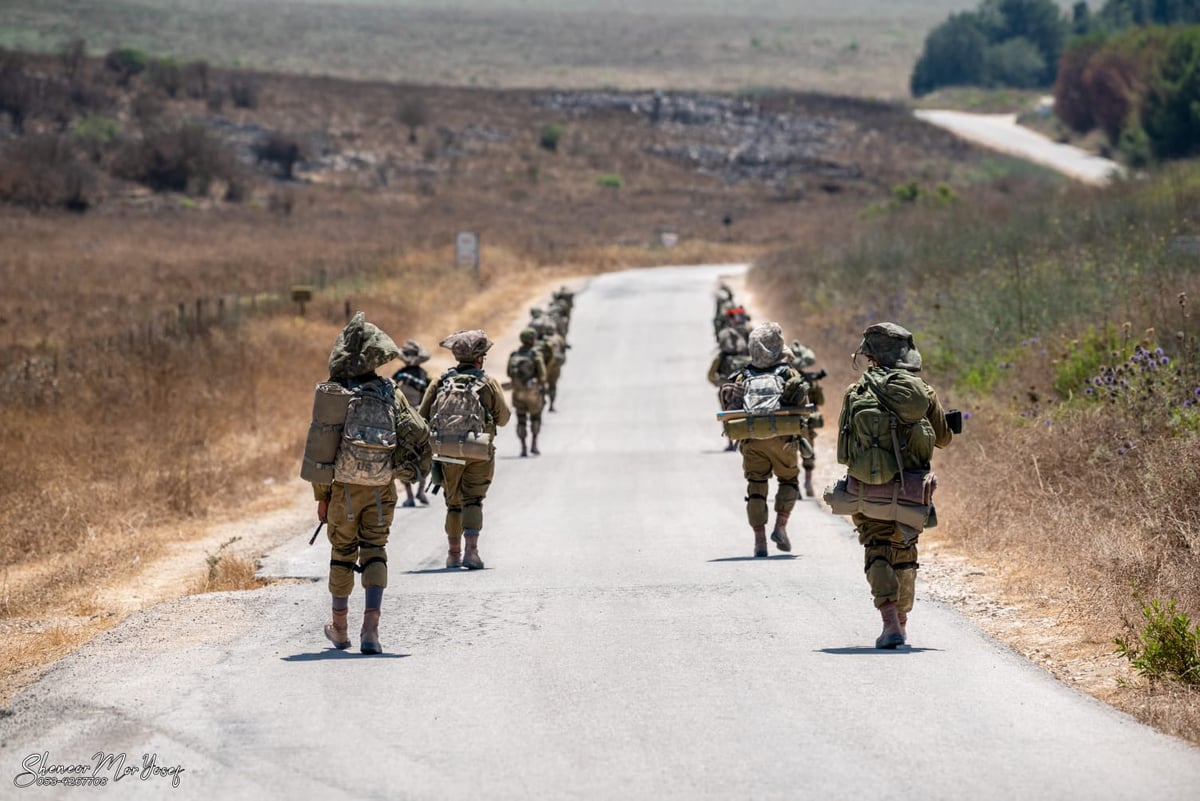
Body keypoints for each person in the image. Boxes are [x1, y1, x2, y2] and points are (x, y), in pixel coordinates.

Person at [312, 312, 431, 655]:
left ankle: (339, 627)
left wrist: (322, 498)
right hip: (381, 490)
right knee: (375, 551)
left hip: (342, 492)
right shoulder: (389, 391)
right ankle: (371, 632)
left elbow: (320, 452)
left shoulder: (335, 393)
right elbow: (419, 431)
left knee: (342, 554)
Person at [839, 323, 954, 649]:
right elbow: (943, 439)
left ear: (870, 355)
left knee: (876, 547)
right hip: (911, 490)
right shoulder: (922, 393)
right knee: (905, 551)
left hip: (867, 489)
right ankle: (902, 622)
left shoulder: (856, 392)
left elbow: (843, 450)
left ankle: (890, 620)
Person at [420, 330, 511, 570]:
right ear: (479, 358)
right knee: (473, 499)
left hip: (447, 450)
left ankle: (453, 554)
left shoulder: (441, 381)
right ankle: (472, 552)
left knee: (453, 504)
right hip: (478, 449)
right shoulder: (487, 383)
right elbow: (503, 418)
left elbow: (422, 416)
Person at [732, 322, 809, 557]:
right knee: (788, 481)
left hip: (752, 441)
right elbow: (802, 406)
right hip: (783, 441)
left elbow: (735, 409)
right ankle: (780, 527)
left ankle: (759, 542)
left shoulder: (742, 376)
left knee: (756, 488)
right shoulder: (789, 373)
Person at [392, 339, 432, 507]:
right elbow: (430, 399)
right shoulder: (425, 376)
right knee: (424, 456)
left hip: (402, 423)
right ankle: (421, 491)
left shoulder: (398, 375)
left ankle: (409, 495)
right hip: (421, 422)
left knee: (402, 457)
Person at [788, 339, 827, 497]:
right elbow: (821, 401)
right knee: (808, 453)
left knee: (790, 455)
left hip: (789, 423)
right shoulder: (810, 381)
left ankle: (795, 486)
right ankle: (808, 482)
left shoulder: (785, 379)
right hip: (806, 424)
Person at [708, 324, 751, 451]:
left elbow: (711, 376)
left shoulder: (721, 357)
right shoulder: (747, 354)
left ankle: (731, 442)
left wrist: (721, 382)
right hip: (745, 390)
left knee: (727, 415)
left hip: (726, 392)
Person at [507, 327, 547, 457]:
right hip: (533, 393)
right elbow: (542, 375)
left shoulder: (514, 355)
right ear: (531, 340)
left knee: (521, 419)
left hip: (518, 392)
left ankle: (523, 447)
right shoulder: (536, 355)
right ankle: (534, 445)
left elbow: (509, 373)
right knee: (535, 418)